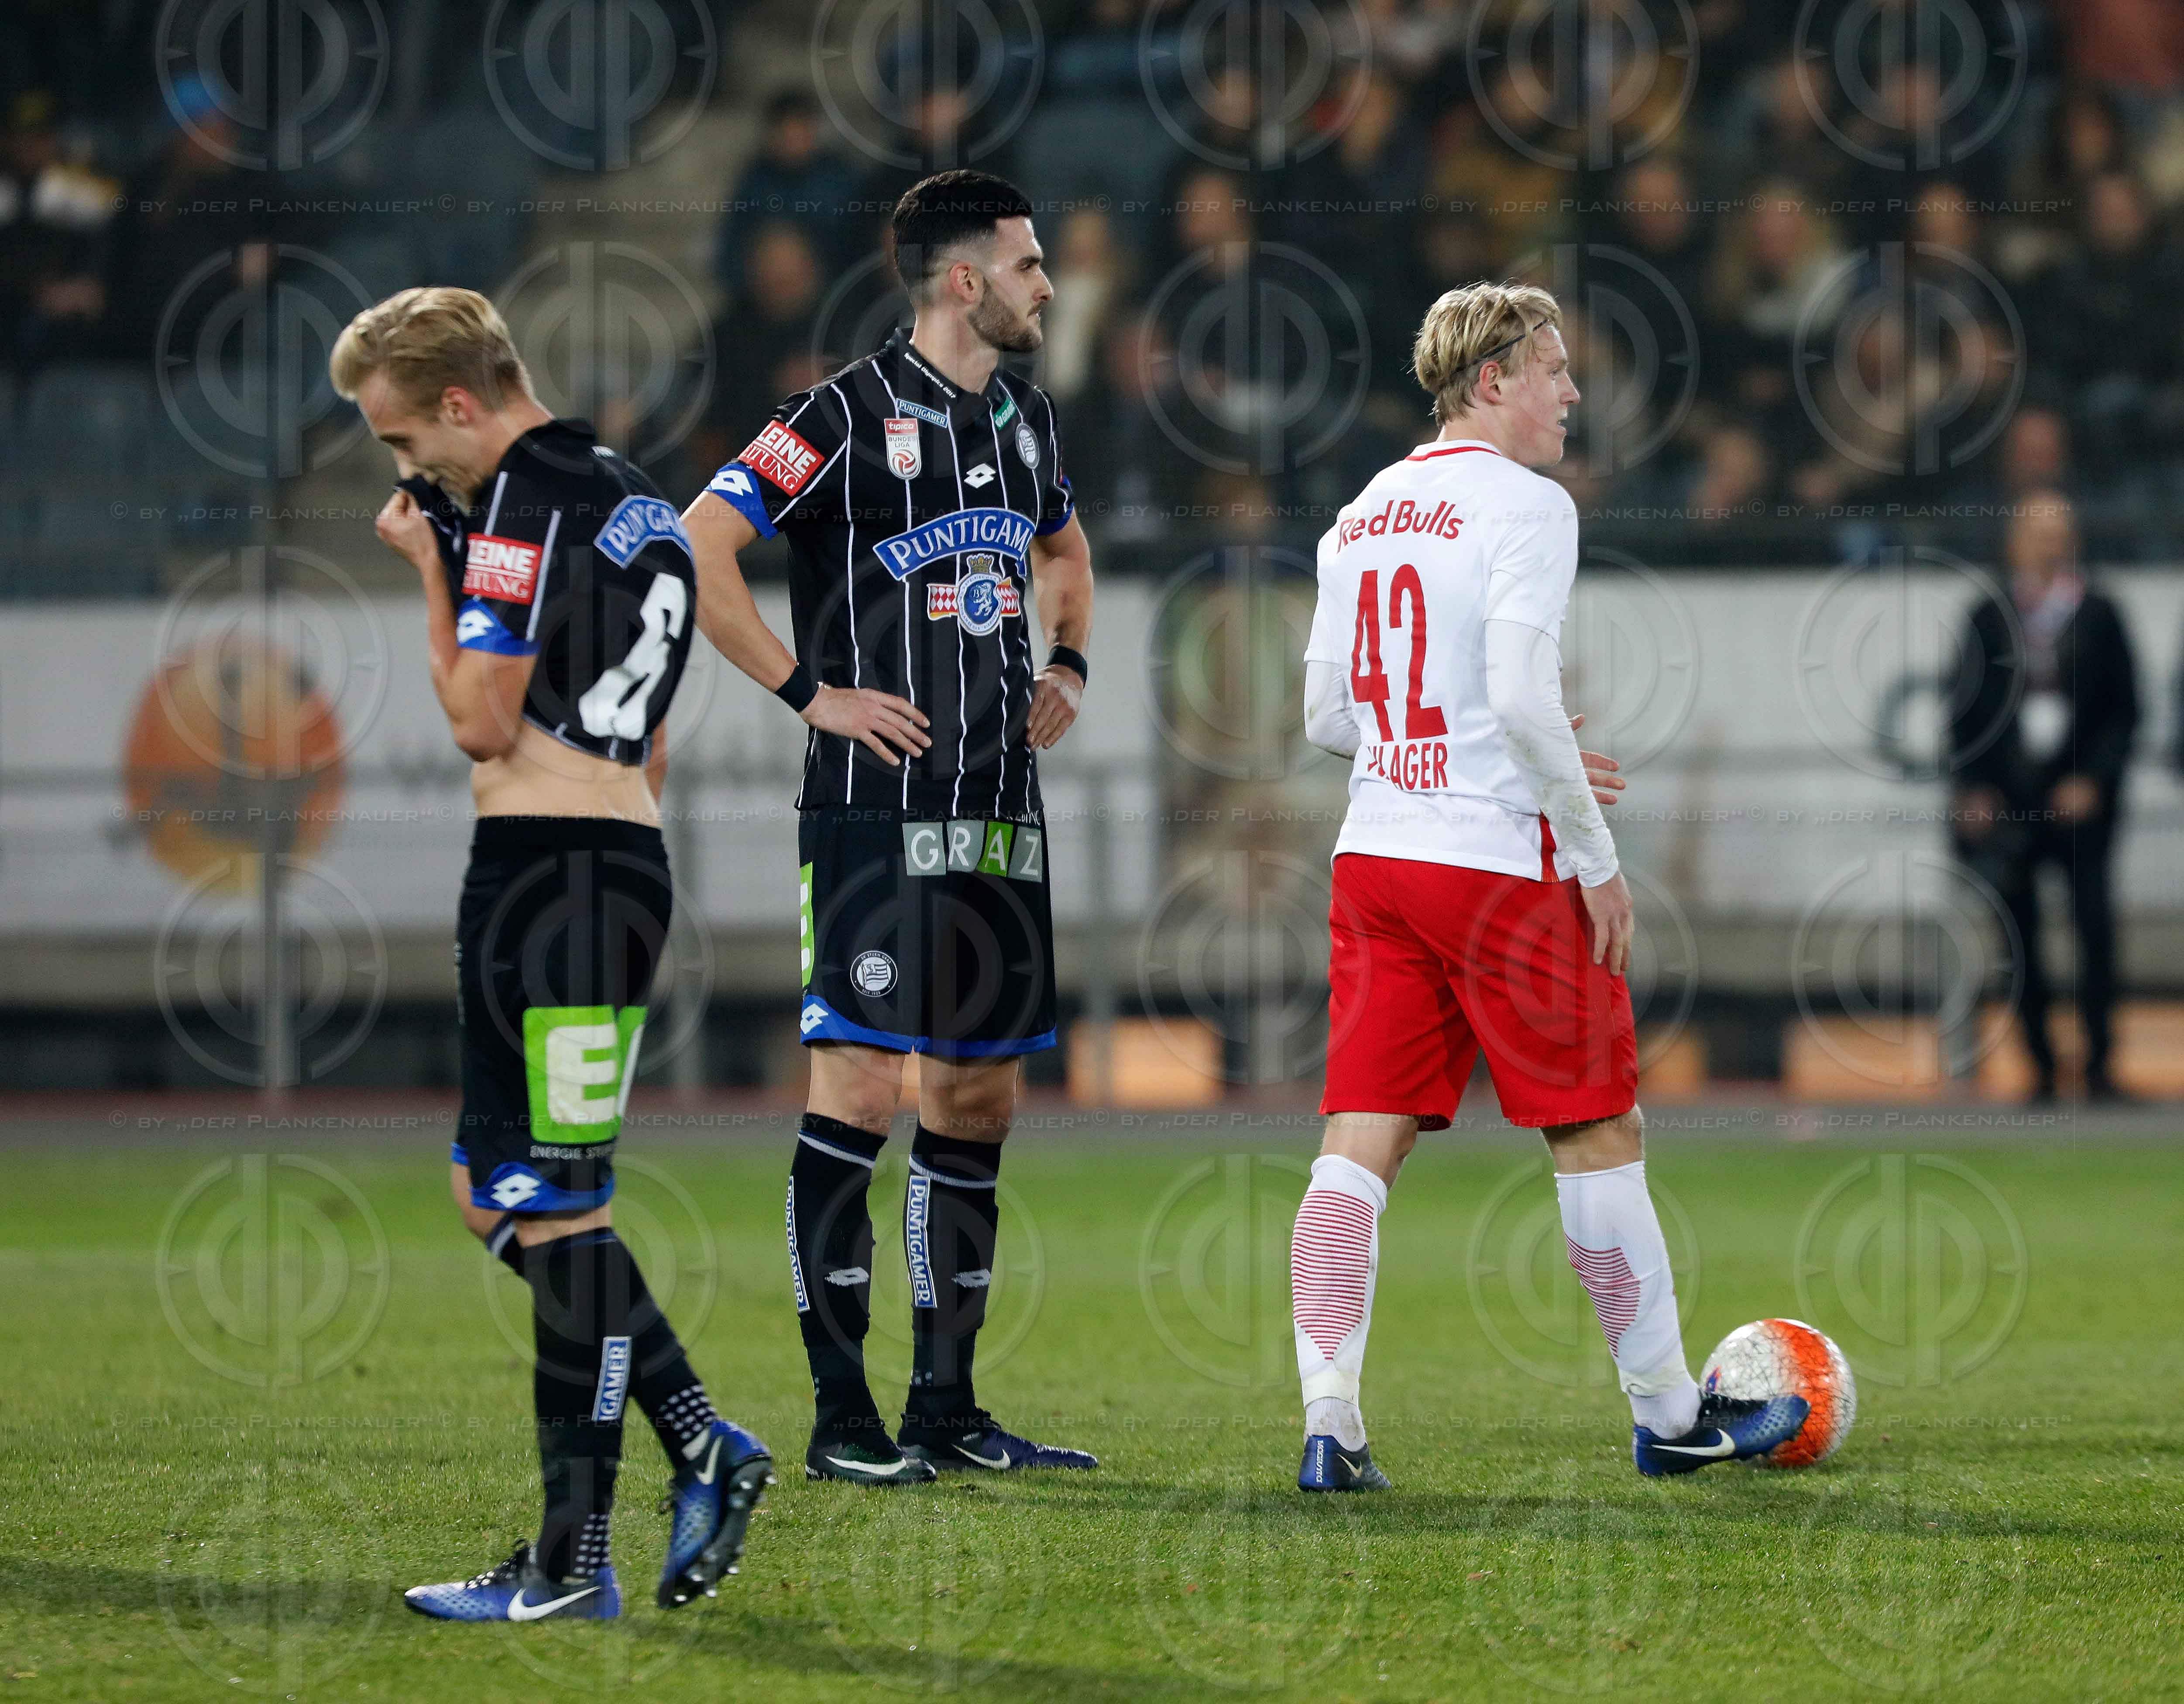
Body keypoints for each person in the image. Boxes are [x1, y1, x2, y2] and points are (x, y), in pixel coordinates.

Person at [1289, 280, 1811, 1489]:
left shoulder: (1360, 514)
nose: (1572, 393)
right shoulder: (1526, 505)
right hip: (1492, 863)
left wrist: (1445, 741)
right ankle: (1671, 1416)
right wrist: (1595, 859)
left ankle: (1330, 1424)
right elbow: (1523, 698)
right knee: (1595, 1129)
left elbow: (1325, 714)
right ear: (1491, 382)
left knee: (1355, 1144)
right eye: (1554, 369)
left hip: (1375, 856)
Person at [328, 287, 772, 1621]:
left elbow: (478, 718)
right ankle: (699, 1435)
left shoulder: (518, 501)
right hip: (603, 861)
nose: (406, 471)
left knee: (561, 1214)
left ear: (461, 403)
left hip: (552, 891)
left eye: (404, 441)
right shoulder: (633, 494)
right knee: (494, 1195)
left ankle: (573, 1561)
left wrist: (429, 571)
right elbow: (652, 721)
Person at [683, 171, 1099, 1485]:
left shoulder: (1026, 421)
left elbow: (1064, 557)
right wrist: (812, 693)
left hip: (996, 816)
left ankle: (945, 1409)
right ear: (963, 278)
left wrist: (1069, 665)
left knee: (976, 1100)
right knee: (859, 1088)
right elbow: (697, 546)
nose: (1048, 283)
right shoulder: (838, 415)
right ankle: (839, 1420)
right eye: (1029, 263)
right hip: (871, 817)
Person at [1950, 492, 2142, 1102]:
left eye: (2058, 533)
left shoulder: (2102, 613)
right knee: (2018, 936)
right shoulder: (1987, 615)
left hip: (2082, 804)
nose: (2048, 545)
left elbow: (2125, 711)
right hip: (2011, 803)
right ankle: (2039, 1065)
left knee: (2094, 929)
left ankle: (2101, 1065)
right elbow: (1964, 710)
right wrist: (1974, 787)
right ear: (2014, 542)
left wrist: (2095, 779)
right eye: (2036, 534)